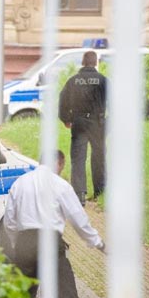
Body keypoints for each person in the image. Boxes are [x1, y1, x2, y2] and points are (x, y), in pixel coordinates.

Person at [3, 150, 105, 298]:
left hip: (24, 246)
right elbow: (79, 220)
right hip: (51, 246)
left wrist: (17, 244)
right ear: (59, 164)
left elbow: (10, 221)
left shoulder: (20, 183)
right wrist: (98, 243)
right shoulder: (60, 185)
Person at [58, 50, 108, 205]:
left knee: (78, 158)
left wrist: (66, 119)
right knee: (99, 158)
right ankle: (100, 191)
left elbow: (63, 101)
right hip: (98, 124)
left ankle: (79, 195)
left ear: (82, 62)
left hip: (79, 123)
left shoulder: (73, 81)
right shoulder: (103, 81)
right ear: (96, 63)